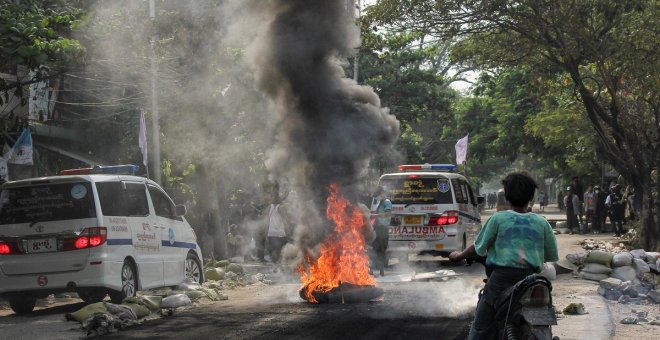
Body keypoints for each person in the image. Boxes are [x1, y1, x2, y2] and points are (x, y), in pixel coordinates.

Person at [449, 172, 559, 340]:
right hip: (532, 279)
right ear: (531, 196)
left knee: (481, 324)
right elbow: (550, 255)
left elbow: (478, 249)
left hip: (501, 279)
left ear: (507, 196)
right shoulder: (542, 222)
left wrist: (458, 255)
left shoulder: (498, 219)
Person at [370, 186, 392, 277]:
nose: (376, 197)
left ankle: (381, 271)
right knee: (374, 249)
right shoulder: (380, 203)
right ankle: (372, 270)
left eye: (377, 195)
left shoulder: (387, 202)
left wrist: (375, 215)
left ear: (382, 194)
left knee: (381, 251)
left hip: (383, 230)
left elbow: (388, 213)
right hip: (378, 229)